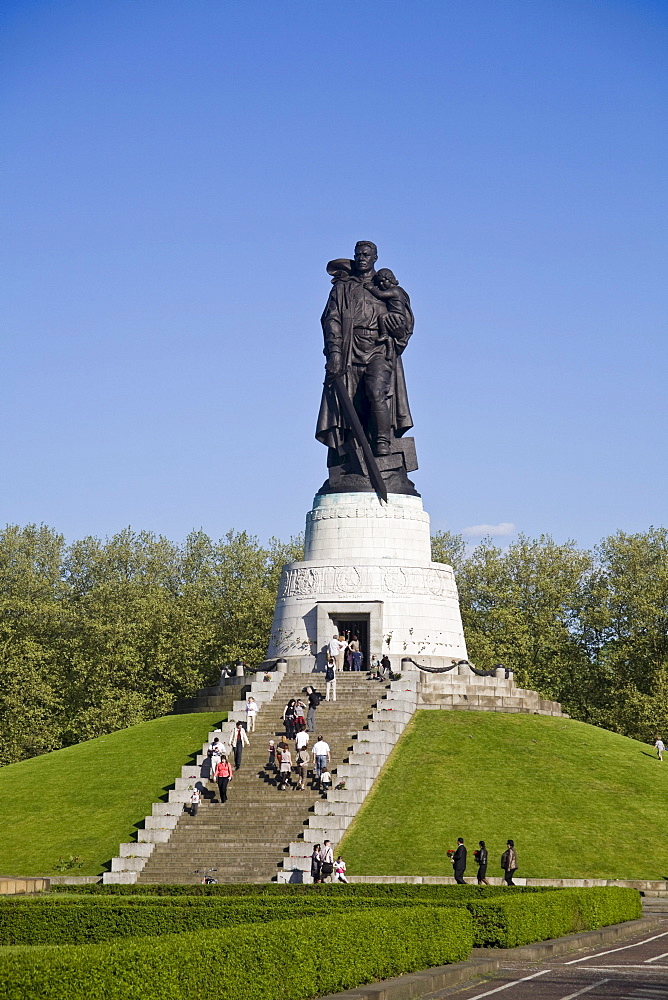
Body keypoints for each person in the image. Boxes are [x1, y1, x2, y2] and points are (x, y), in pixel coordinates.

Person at [316, 241, 414, 464]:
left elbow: (405, 323)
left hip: (379, 349)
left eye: (366, 255)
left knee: (376, 391)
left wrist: (399, 331)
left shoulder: (386, 287)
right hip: (349, 350)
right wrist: (334, 353)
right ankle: (353, 456)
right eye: (358, 254)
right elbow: (331, 320)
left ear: (375, 258)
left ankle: (382, 441)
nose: (361, 258)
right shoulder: (342, 288)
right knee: (352, 405)